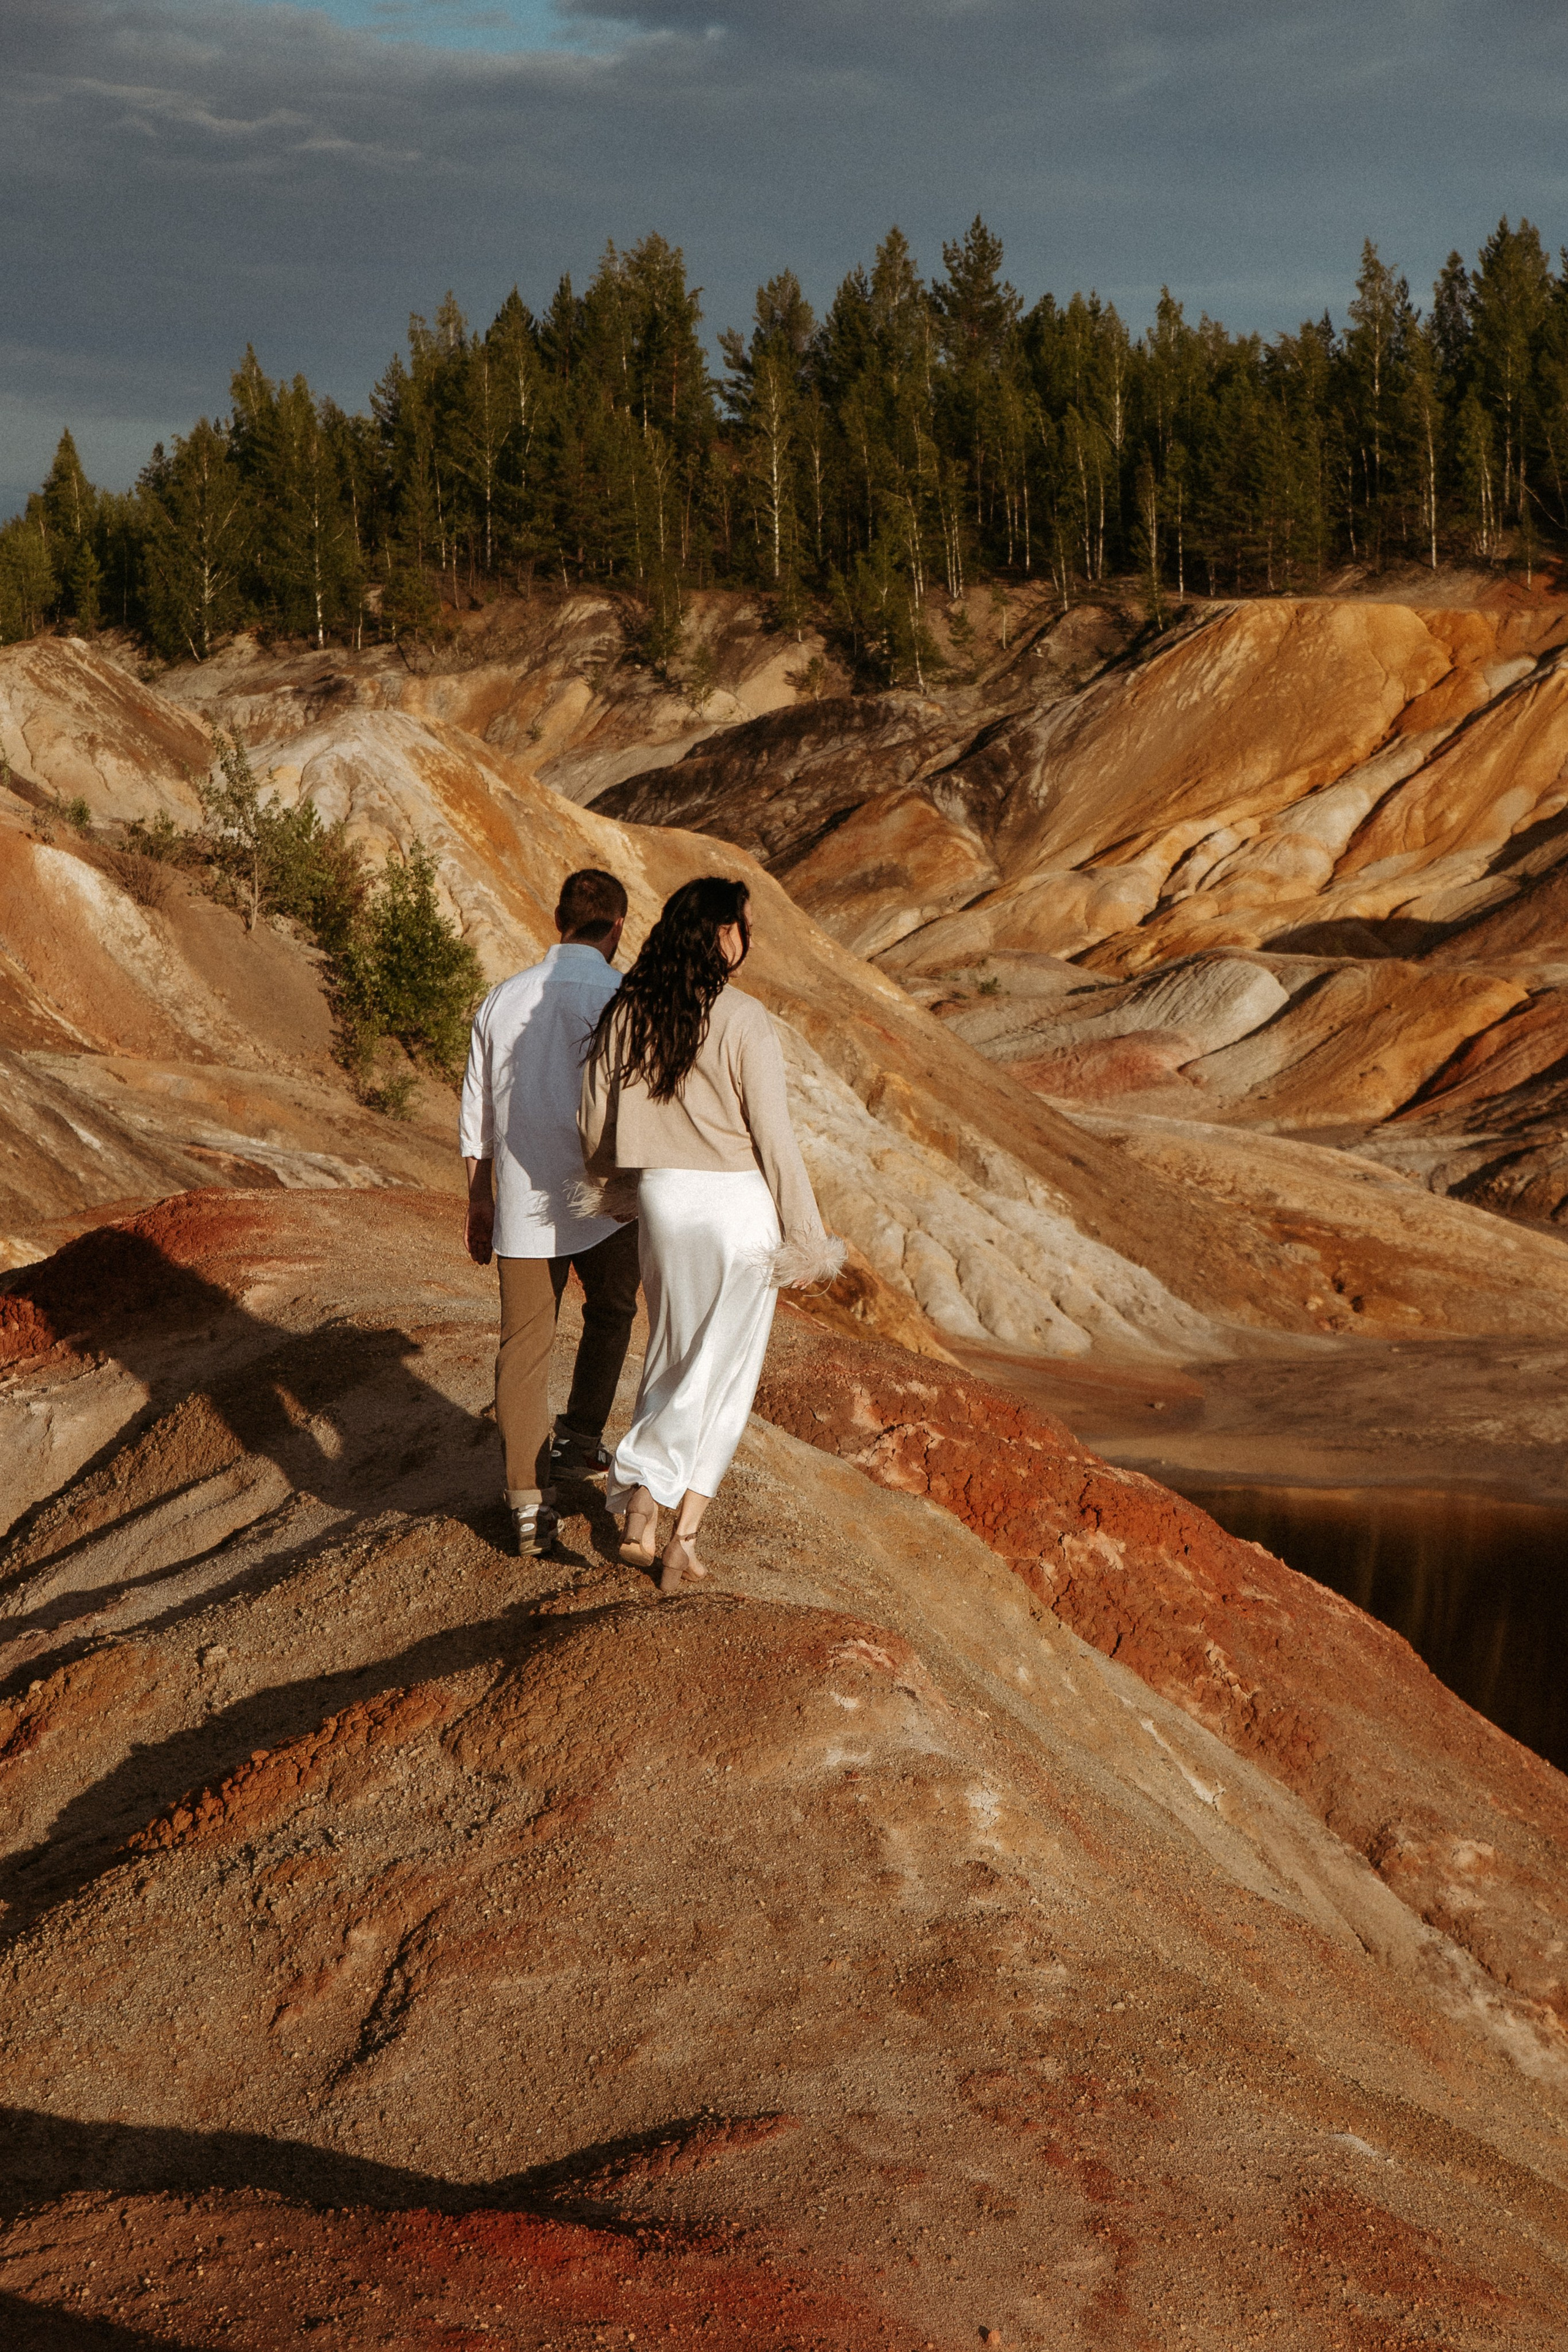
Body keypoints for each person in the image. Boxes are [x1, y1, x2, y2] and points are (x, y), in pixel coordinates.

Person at [578, 873, 842, 1595]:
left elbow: (592, 1117)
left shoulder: (629, 1009)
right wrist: (807, 1236)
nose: (747, 939)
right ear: (722, 932)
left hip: (663, 1202)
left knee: (672, 1354)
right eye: (744, 927)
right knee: (722, 1375)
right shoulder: (743, 1017)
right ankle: (651, 1506)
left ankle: (666, 1532)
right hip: (736, 1209)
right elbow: (774, 1137)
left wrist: (616, 1178)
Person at [459, 867, 641, 1556]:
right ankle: (582, 1437)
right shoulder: (623, 996)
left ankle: (527, 1502)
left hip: (525, 1205)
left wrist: (480, 1200)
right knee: (616, 1307)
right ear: (617, 926)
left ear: (558, 919)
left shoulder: (503, 999)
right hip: (607, 1202)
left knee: (524, 1345)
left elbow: (476, 1112)